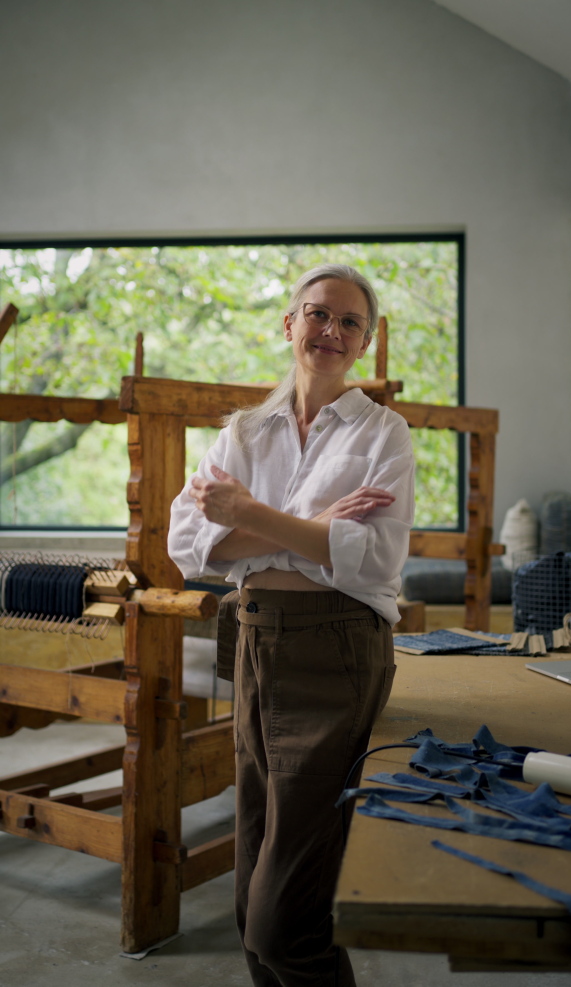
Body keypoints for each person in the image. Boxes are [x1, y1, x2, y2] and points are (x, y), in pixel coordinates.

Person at [168, 264, 414, 987]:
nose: (331, 331)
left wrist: (246, 518)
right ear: (289, 324)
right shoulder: (243, 432)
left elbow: (373, 559)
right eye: (318, 314)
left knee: (285, 922)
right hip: (253, 643)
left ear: (365, 343)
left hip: (337, 652)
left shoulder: (382, 432)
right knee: (250, 913)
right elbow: (186, 547)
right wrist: (309, 531)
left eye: (349, 322)